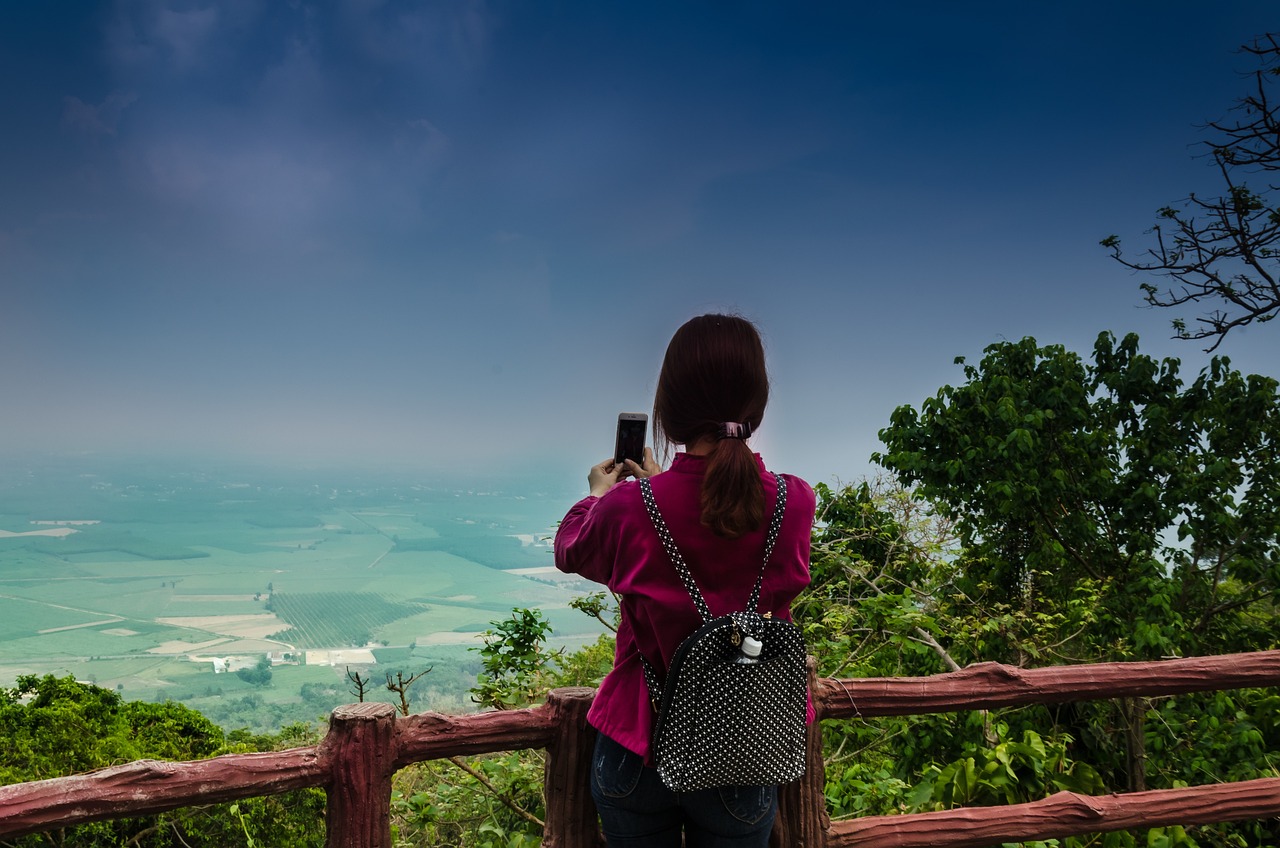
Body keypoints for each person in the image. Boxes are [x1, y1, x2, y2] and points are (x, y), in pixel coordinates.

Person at [554, 314, 815, 847]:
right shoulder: (794, 501)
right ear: (756, 408)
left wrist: (600, 495)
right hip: (744, 749)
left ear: (668, 412)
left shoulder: (630, 508)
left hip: (638, 743)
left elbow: (570, 550)